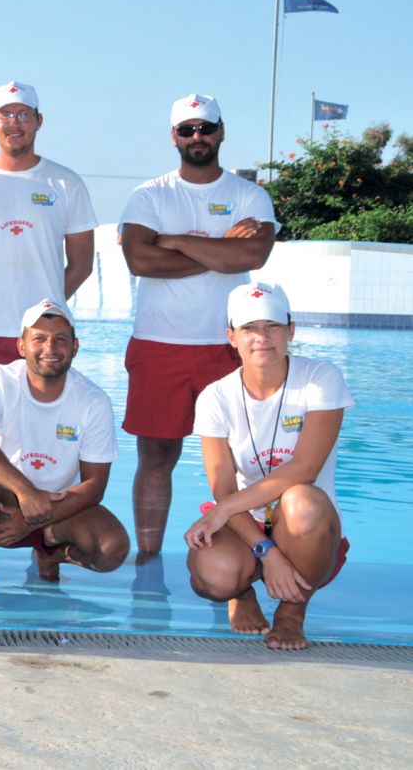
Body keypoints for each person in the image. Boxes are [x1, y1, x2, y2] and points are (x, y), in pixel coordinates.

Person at [120, 94, 278, 558]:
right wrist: (215, 249)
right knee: (156, 459)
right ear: (174, 137)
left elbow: (252, 255)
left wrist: (174, 242)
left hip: (230, 347)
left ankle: (239, 559)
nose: (197, 137)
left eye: (205, 128)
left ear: (221, 132)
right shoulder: (150, 194)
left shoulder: (249, 194)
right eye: (187, 130)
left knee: (240, 462)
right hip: (159, 344)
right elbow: (139, 259)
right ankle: (149, 560)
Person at [185, 282, 353, 651]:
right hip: (246, 517)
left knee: (301, 499)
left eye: (272, 326)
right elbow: (222, 487)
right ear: (231, 337)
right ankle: (242, 592)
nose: (262, 337)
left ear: (291, 330)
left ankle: (291, 613)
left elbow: (305, 469)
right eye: (248, 328)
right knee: (214, 577)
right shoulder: (216, 396)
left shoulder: (320, 378)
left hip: (303, 522)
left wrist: (224, 508)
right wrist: (268, 552)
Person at [0, 300, 129, 596]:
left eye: (60, 339)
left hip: (58, 508)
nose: (50, 347)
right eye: (39, 338)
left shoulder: (93, 400)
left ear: (75, 347)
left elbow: (95, 485)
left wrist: (37, 516)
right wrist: (26, 493)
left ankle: (50, 549)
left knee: (112, 549)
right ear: (21, 346)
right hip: (0, 502)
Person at [0, 81, 97, 383]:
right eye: (6, 115)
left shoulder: (66, 183)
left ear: (39, 120)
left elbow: (82, 265)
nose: (15, 123)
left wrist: (45, 308)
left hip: (44, 336)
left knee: (41, 427)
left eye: (23, 115)